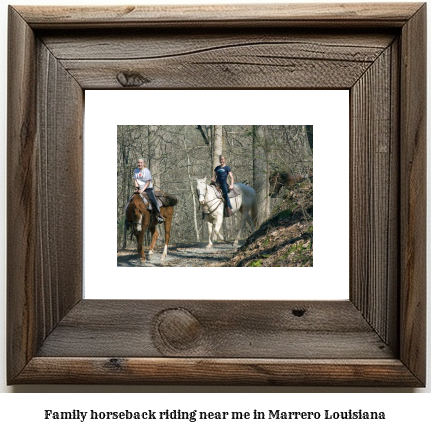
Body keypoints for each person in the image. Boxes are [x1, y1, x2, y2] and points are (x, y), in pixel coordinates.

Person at [133, 158, 164, 223]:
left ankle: (159, 215)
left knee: (153, 201)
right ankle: (127, 220)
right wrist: (136, 188)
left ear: (144, 163)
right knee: (131, 201)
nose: (139, 164)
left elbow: (148, 182)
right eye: (138, 163)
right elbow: (135, 180)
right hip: (139, 189)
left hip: (148, 188)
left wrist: (142, 190)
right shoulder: (136, 171)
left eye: (141, 163)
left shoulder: (147, 171)